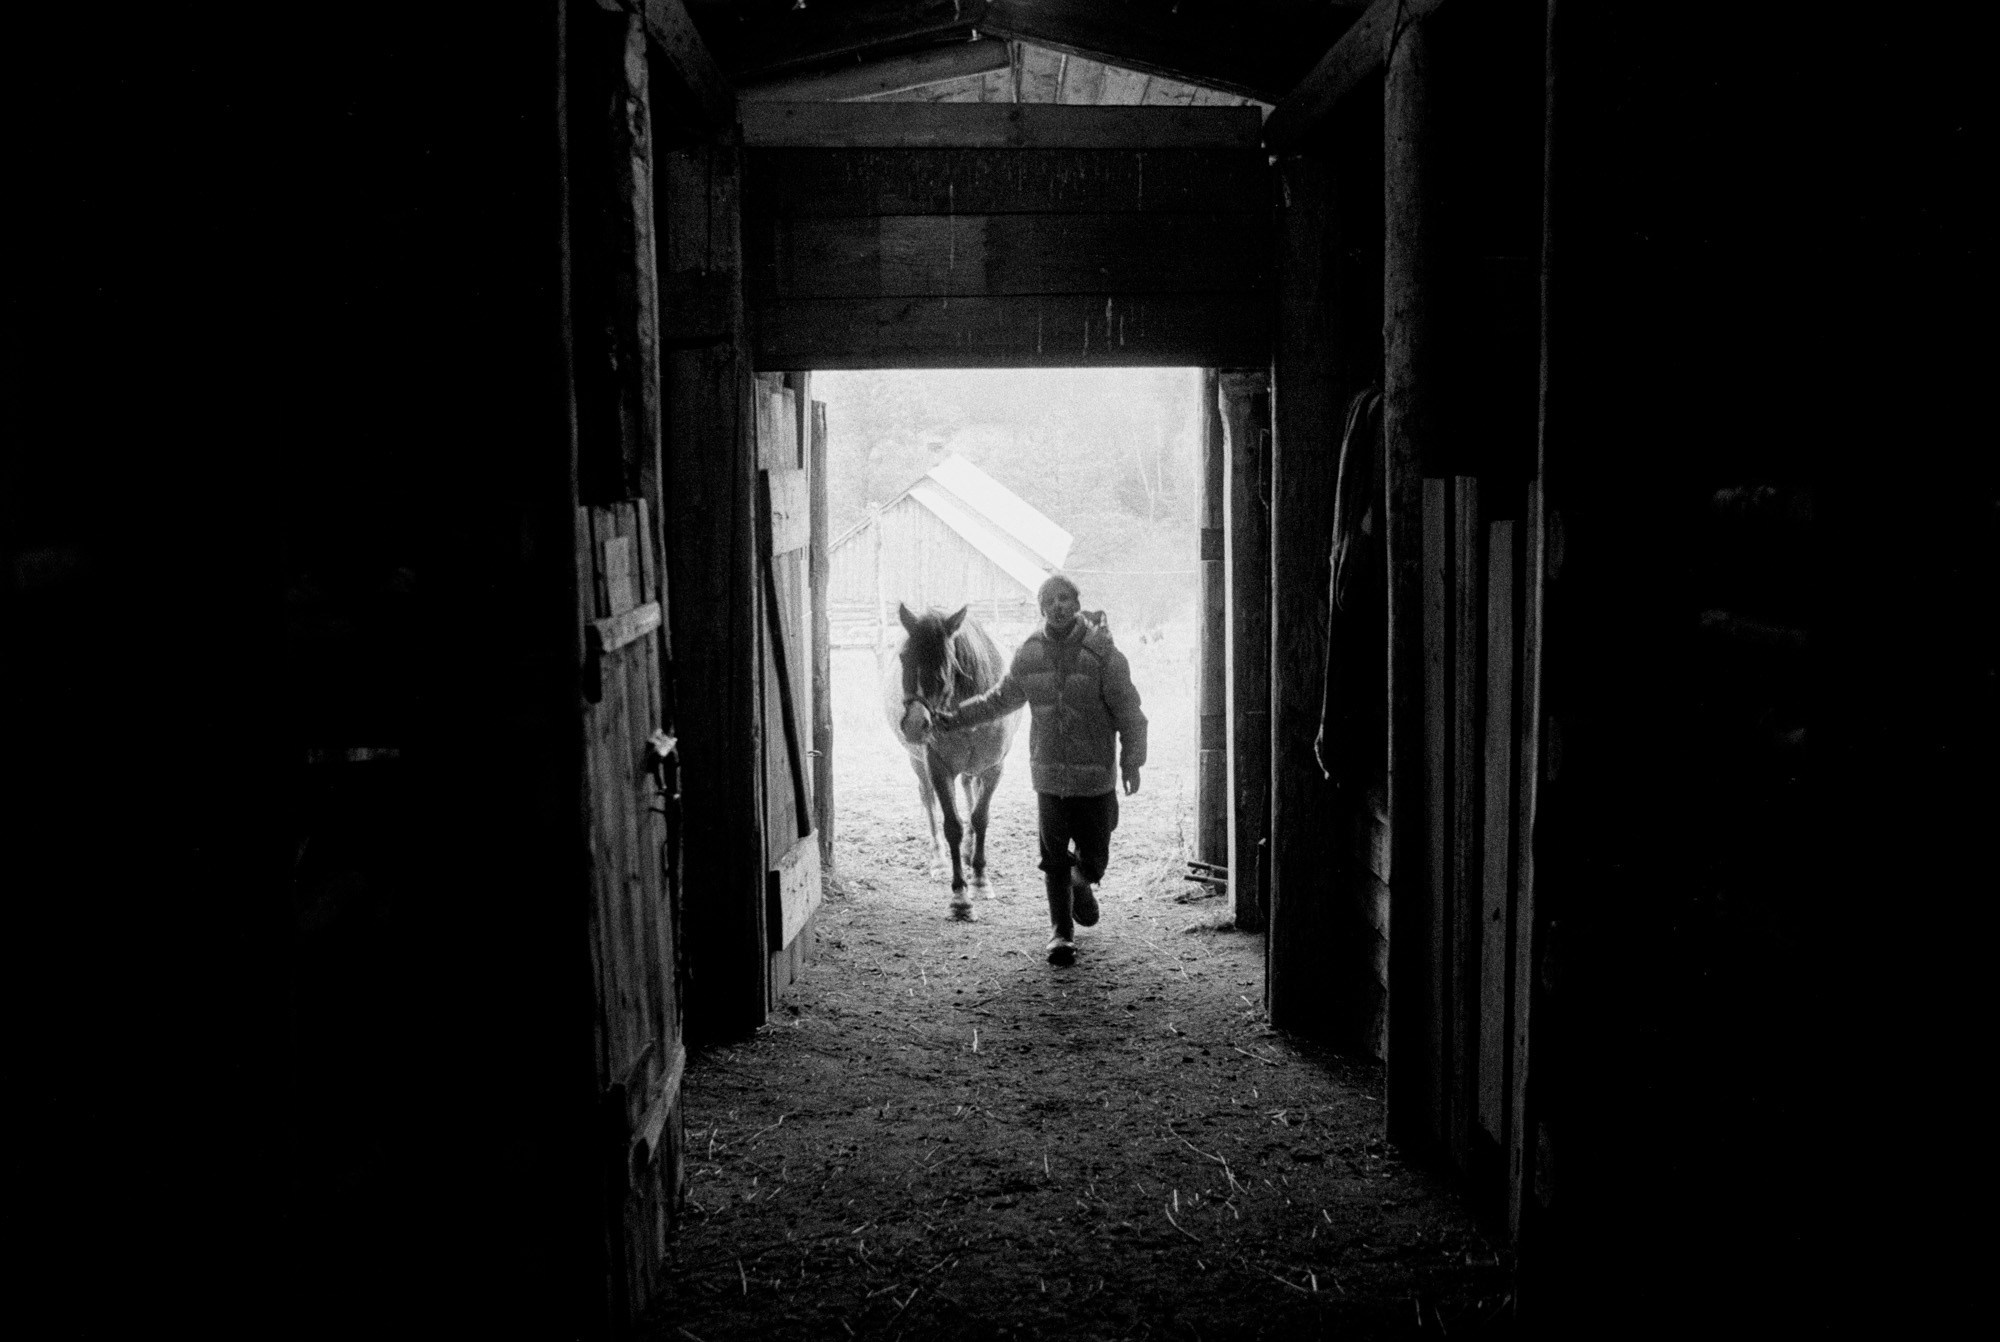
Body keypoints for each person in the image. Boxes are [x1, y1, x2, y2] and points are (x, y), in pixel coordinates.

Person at [937, 574, 1147, 965]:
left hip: (1095, 776)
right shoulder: (1030, 653)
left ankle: (1080, 881)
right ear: (1041, 608)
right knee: (1053, 856)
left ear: (1076, 603)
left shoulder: (1103, 653)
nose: (1058, 606)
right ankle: (1060, 933)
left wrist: (1132, 759)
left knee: (1096, 855)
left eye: (1065, 598)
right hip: (1049, 775)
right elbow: (997, 701)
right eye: (1049, 600)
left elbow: (1129, 712)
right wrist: (951, 718)